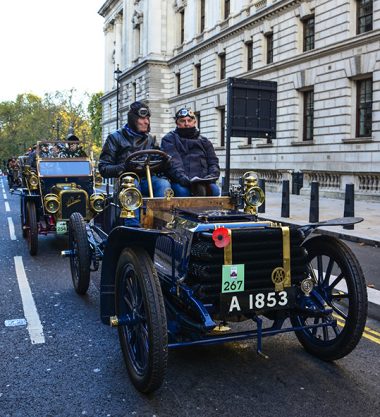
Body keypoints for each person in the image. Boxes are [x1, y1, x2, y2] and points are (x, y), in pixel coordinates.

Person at [98, 101, 171, 197]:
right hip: (125, 181)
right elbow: (103, 168)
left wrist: (166, 162)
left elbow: (157, 162)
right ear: (133, 120)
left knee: (163, 184)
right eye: (142, 118)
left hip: (147, 180)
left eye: (148, 118)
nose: (146, 122)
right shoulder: (115, 137)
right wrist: (124, 167)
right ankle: (133, 212)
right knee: (133, 186)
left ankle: (159, 212)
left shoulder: (150, 139)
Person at [160, 108, 220, 197]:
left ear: (194, 122)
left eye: (189, 120)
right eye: (182, 121)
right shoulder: (169, 139)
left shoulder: (205, 141)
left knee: (214, 190)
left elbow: (213, 163)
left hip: (203, 181)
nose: (186, 124)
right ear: (177, 123)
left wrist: (210, 178)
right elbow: (174, 163)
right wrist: (185, 180)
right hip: (181, 181)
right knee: (183, 192)